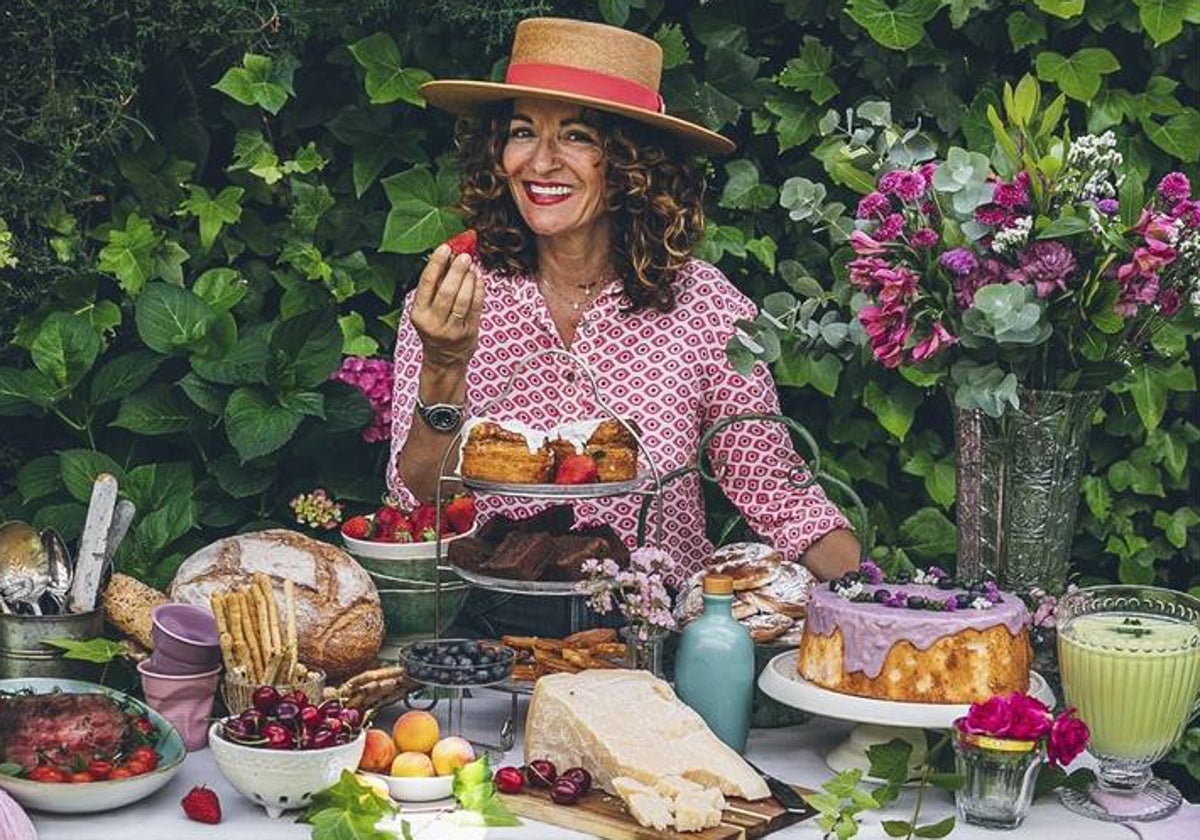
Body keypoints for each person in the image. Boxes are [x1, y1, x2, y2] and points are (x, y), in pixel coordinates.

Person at [387, 17, 860, 590]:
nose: (539, 162)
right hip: (485, 639)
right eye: (521, 131)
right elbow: (421, 495)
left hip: (652, 647)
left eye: (577, 136)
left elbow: (778, 495)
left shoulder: (705, 308)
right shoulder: (454, 299)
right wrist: (443, 364)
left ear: (633, 164)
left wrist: (881, 599)